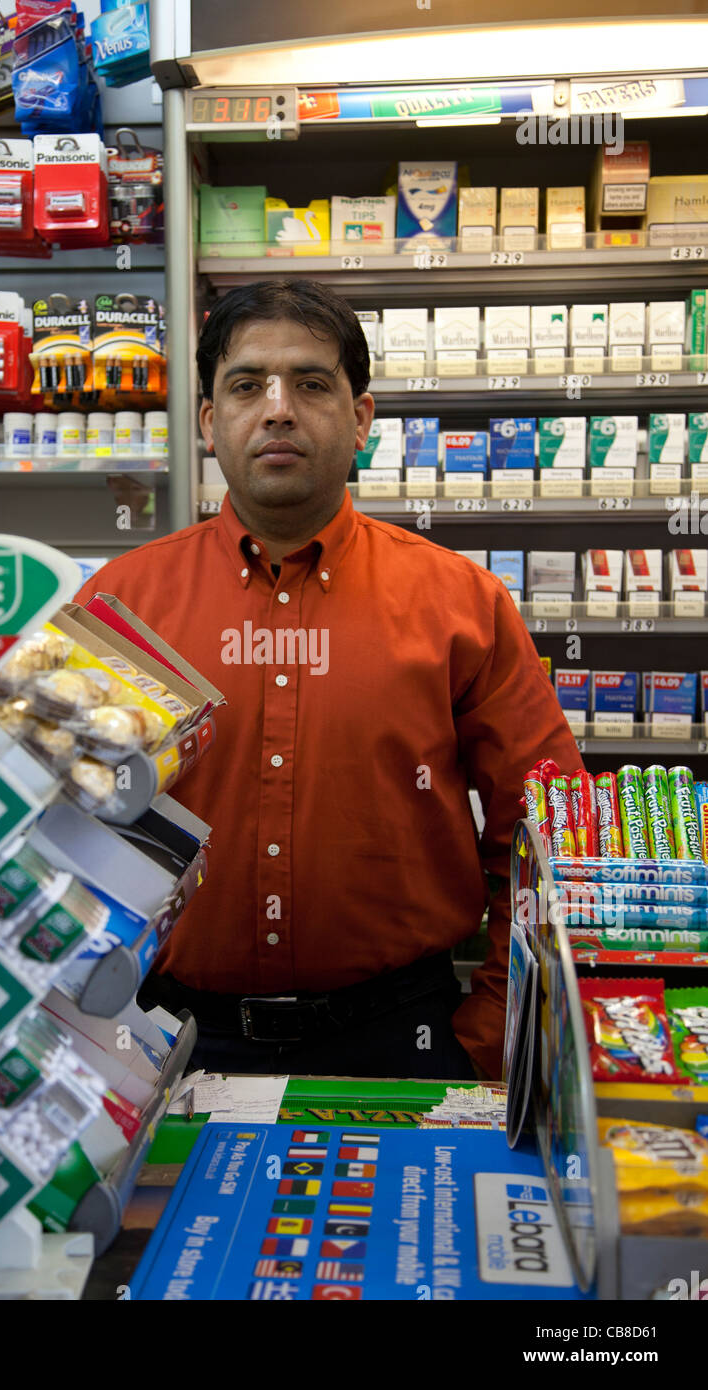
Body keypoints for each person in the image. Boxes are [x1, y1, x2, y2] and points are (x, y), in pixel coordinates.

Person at [75, 279, 581, 1081]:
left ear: (362, 419)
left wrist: (488, 1030)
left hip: (402, 1040)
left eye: (312, 384)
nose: (278, 409)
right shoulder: (121, 604)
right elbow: (67, 828)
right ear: (210, 422)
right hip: (166, 1041)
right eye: (247, 385)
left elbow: (549, 833)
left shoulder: (461, 602)